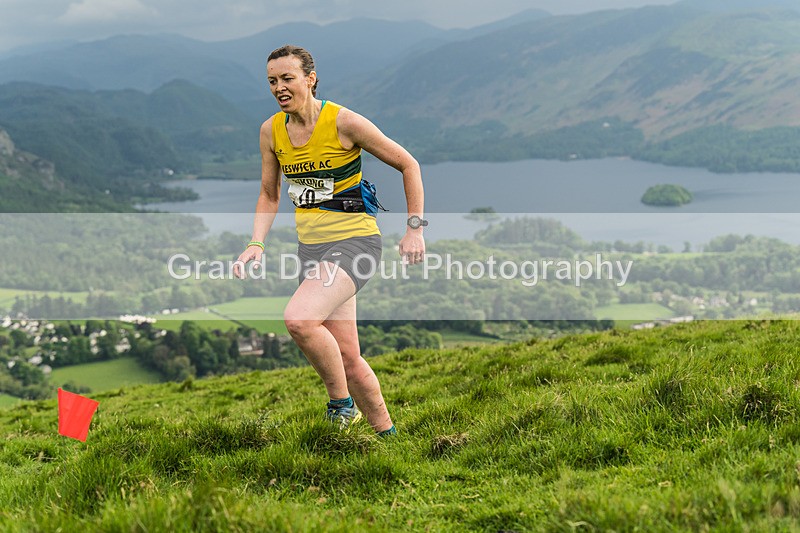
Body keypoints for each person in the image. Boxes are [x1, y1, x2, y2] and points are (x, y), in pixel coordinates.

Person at [234, 45, 425, 437]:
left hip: (356, 243)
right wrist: (256, 242)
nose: (279, 88)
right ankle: (388, 437)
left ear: (310, 78)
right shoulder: (271, 131)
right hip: (313, 251)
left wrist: (415, 229)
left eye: (287, 78)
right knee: (349, 359)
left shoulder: (344, 122)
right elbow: (269, 195)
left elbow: (409, 163)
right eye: (272, 81)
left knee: (300, 319)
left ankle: (341, 408)